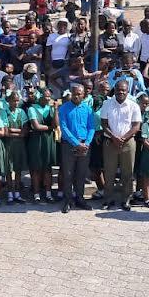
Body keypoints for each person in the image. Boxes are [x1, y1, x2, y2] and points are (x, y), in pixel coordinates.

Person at [99, 80, 141, 211]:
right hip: (110, 142)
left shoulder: (133, 106)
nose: (121, 92)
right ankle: (108, 199)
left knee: (127, 172)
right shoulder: (107, 104)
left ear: (127, 91)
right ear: (114, 90)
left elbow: (136, 126)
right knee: (109, 172)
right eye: (118, 90)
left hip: (128, 143)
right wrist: (114, 137)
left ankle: (126, 199)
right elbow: (104, 124)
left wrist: (122, 138)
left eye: (123, 90)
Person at [57, 84, 96, 212]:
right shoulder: (63, 108)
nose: (77, 96)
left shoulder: (88, 109)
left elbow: (91, 127)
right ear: (71, 94)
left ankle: (80, 199)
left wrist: (87, 143)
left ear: (84, 94)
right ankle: (68, 200)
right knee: (68, 174)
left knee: (81, 174)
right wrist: (76, 143)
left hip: (85, 145)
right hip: (69, 145)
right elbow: (64, 128)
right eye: (74, 93)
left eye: (79, 94)